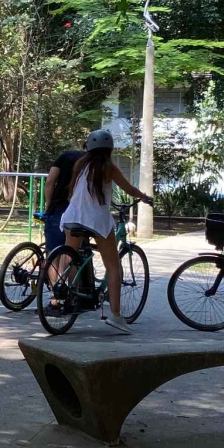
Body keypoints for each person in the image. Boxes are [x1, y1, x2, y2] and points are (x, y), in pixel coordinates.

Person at [59, 129, 152, 334]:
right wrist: (145, 198)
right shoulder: (108, 167)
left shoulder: (80, 164)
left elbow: (73, 190)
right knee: (113, 267)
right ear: (109, 149)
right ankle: (116, 315)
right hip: (97, 220)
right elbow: (130, 189)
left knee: (70, 256)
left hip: (73, 216)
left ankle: (65, 293)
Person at [42, 145, 85, 253]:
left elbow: (50, 181)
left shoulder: (65, 156)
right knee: (75, 254)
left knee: (53, 254)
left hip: (58, 207)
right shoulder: (94, 162)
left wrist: (49, 204)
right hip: (80, 212)